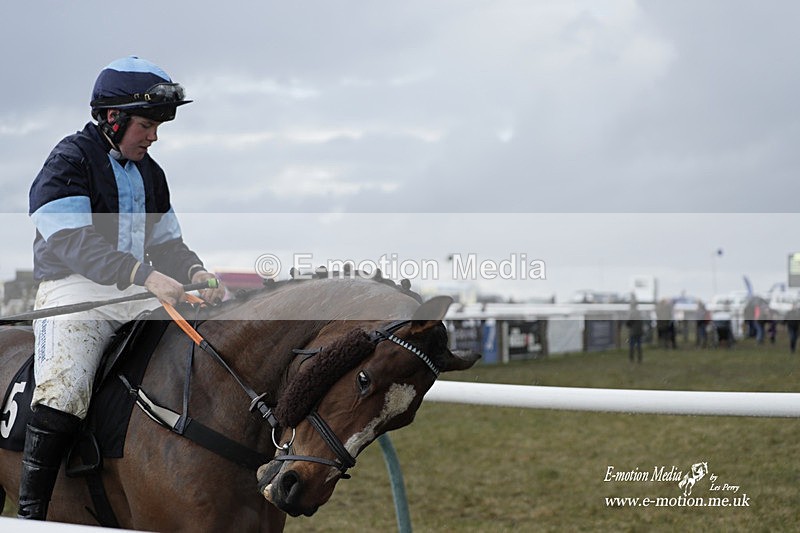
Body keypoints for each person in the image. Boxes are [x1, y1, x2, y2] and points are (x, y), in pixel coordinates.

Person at [20, 56, 225, 520]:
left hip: (135, 292)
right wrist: (144, 275)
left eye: (156, 127)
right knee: (65, 389)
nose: (153, 136)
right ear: (113, 119)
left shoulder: (152, 174)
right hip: (74, 291)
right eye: (146, 125)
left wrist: (197, 274)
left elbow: (168, 245)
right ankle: (31, 515)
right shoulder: (69, 158)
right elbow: (71, 241)